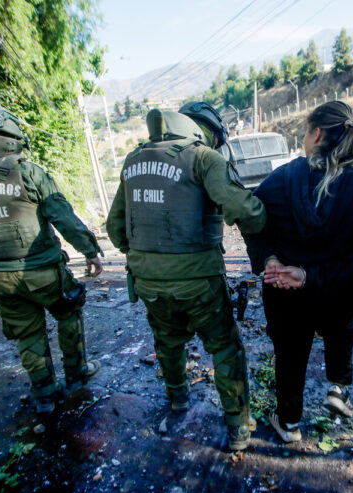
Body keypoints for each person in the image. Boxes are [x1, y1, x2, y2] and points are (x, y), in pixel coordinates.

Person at [105, 103, 266, 451]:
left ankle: (178, 400)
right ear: (207, 130)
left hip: (147, 280)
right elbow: (242, 209)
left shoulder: (134, 161)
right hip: (198, 281)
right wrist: (265, 222)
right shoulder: (203, 158)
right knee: (224, 346)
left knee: (168, 341)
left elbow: (115, 228)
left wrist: (147, 258)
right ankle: (238, 427)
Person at [244, 101, 353, 443]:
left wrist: (268, 259)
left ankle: (289, 422)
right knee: (341, 327)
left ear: (315, 133)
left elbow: (252, 220)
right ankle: (339, 388)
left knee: (290, 351)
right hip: (338, 296)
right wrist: (312, 275)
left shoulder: (280, 180)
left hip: (285, 293)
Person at [0, 103, 103, 414]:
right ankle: (77, 373)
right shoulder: (27, 172)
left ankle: (44, 393)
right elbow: (63, 217)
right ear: (7, 135)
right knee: (68, 314)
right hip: (43, 271)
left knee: (27, 333)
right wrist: (90, 251)